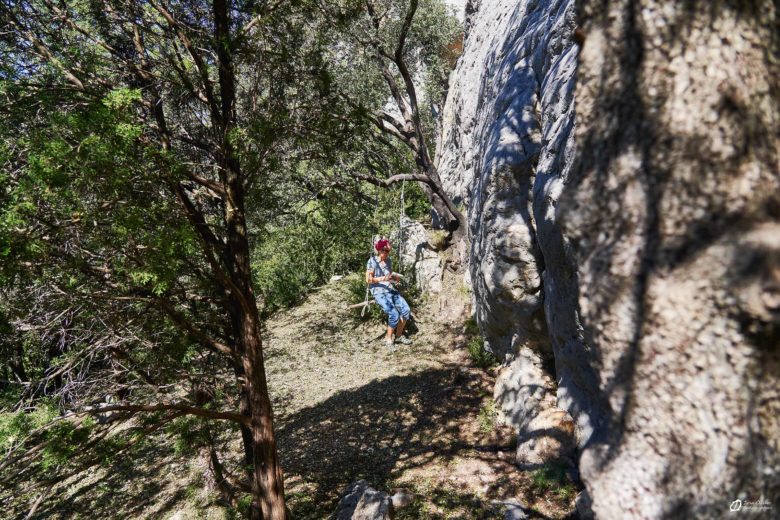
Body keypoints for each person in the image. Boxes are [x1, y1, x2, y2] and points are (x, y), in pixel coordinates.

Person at [366, 238, 412, 349]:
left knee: (406, 311)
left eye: (388, 251)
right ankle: (388, 339)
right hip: (378, 292)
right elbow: (368, 279)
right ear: (379, 250)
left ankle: (399, 335)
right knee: (394, 314)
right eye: (384, 250)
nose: (386, 253)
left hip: (390, 290)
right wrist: (384, 278)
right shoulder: (372, 261)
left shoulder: (389, 261)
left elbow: (389, 276)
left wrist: (394, 279)